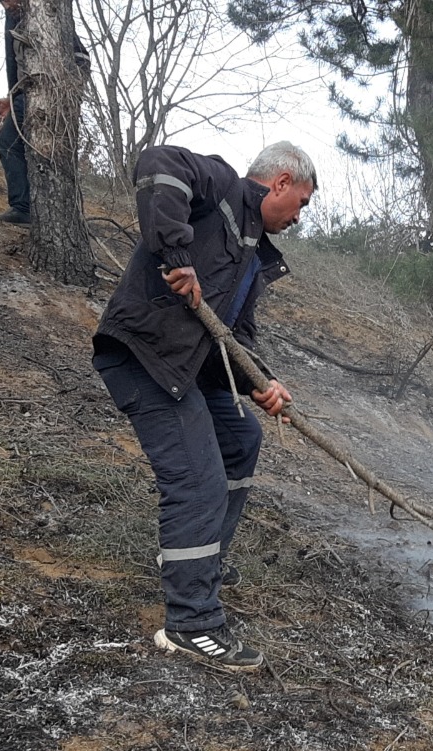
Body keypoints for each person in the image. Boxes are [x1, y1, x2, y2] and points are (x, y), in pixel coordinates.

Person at [92, 142, 317, 670]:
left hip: (188, 369)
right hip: (146, 356)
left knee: (241, 440)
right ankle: (192, 621)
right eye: (302, 202)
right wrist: (176, 254)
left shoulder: (254, 255)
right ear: (280, 183)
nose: (299, 216)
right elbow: (157, 163)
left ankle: (200, 557)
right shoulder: (220, 186)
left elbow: (233, 339)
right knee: (198, 480)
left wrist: (262, 383)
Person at [0, 0, 88, 225]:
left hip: (48, 94)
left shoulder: (44, 16)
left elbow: (82, 59)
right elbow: (15, 64)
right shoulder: (13, 17)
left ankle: (24, 208)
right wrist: (11, 98)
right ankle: (27, 208)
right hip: (25, 94)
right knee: (11, 143)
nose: (5, 3)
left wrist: (66, 90)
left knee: (9, 143)